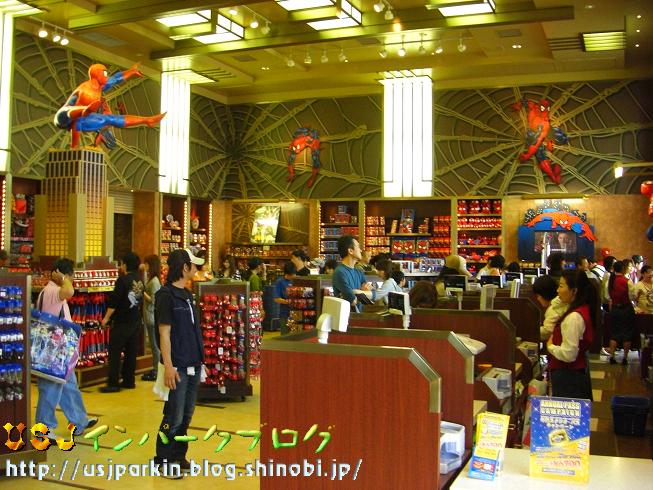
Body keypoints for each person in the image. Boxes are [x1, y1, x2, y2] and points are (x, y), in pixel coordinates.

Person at [154, 249, 205, 478]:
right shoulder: (166, 296)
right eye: (193, 265)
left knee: (186, 414)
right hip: (177, 365)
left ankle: (178, 455)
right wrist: (168, 366)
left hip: (193, 362)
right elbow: (164, 333)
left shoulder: (187, 295)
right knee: (173, 415)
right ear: (184, 268)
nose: (196, 269)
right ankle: (163, 460)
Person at [35, 258, 98, 436]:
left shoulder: (53, 291)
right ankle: (43, 428)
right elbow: (69, 291)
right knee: (50, 388)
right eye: (71, 276)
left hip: (61, 349)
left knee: (69, 387)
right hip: (52, 350)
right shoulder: (52, 291)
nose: (72, 280)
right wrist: (62, 278)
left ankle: (78, 421)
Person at [54, 63, 165, 149]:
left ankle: (147, 120)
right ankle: (85, 112)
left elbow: (116, 78)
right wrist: (74, 147)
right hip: (63, 117)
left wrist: (132, 71)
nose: (107, 76)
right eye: (104, 73)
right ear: (97, 74)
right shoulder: (86, 91)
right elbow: (75, 122)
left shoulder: (100, 86)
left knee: (111, 119)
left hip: (82, 116)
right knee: (76, 115)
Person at [546, 269, 597, 400]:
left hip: (568, 375)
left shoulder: (574, 317)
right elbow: (556, 303)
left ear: (574, 291)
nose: (557, 291)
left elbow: (569, 354)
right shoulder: (580, 308)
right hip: (573, 373)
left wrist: (550, 346)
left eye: (561, 286)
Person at [100, 252, 144, 393]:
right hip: (135, 319)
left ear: (125, 264)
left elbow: (114, 301)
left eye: (122, 263)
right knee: (131, 352)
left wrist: (106, 318)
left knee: (115, 352)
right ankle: (129, 380)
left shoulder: (122, 280)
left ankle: (113, 383)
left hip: (122, 321)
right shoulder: (140, 279)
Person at [332, 235, 376, 312]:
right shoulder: (340, 272)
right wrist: (364, 293)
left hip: (358, 316)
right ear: (350, 251)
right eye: (358, 247)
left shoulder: (358, 271)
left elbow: (374, 294)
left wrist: (356, 291)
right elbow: (352, 300)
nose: (361, 250)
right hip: (345, 317)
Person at [606, 261, 636, 365]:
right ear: (623, 269)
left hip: (615, 309)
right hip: (626, 309)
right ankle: (625, 358)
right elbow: (632, 296)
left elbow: (607, 296)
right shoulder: (627, 281)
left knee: (614, 333)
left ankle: (612, 357)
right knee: (627, 333)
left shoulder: (611, 280)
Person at [141, 254, 162, 382]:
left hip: (151, 316)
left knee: (154, 345)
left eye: (147, 263)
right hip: (150, 316)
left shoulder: (154, 282)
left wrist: (142, 292)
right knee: (154, 344)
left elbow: (154, 300)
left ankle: (156, 369)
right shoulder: (153, 279)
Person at [532, 275, 568, 341]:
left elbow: (547, 331)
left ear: (544, 294)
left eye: (538, 295)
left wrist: (530, 330)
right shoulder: (560, 302)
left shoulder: (553, 308)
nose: (538, 299)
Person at [273, 261, 296, 334]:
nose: (292, 276)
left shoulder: (296, 280)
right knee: (284, 335)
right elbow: (276, 299)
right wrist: (287, 302)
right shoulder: (280, 282)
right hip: (284, 313)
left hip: (296, 313)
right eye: (291, 275)